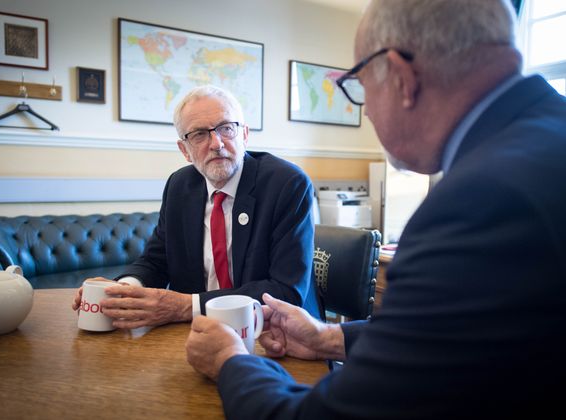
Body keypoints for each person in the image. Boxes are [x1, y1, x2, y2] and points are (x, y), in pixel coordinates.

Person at [185, 0, 566, 417]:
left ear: (402, 78)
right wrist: (328, 337)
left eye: (361, 88)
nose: (365, 114)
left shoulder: (479, 201)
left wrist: (231, 361)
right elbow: (445, 336)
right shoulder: (545, 140)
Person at [72, 85, 319, 328]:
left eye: (226, 128)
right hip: (198, 335)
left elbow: (284, 292)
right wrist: (122, 291)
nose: (216, 143)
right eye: (199, 134)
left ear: (244, 135)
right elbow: (156, 260)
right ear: (185, 150)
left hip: (275, 333)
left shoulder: (287, 184)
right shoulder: (180, 186)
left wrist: (186, 306)